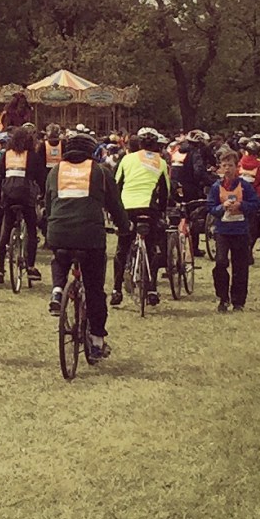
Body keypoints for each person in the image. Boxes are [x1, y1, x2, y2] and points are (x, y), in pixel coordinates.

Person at [45, 128, 128, 361]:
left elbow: (48, 203)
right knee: (94, 290)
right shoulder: (100, 172)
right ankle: (97, 341)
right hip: (90, 237)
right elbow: (115, 206)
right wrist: (124, 227)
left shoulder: (55, 172)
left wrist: (49, 228)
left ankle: (57, 290)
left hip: (58, 231)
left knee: (59, 257)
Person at [112, 128, 172, 307]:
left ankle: (116, 289)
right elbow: (165, 191)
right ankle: (152, 288)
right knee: (152, 248)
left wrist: (115, 210)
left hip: (128, 207)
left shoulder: (127, 159)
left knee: (122, 249)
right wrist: (161, 212)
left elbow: (117, 184)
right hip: (149, 208)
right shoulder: (160, 162)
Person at [207, 148, 260, 312]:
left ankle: (238, 301)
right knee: (220, 263)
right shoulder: (216, 187)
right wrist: (222, 207)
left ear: (237, 167)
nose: (227, 169)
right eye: (224, 165)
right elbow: (210, 207)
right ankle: (223, 298)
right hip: (223, 231)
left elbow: (255, 204)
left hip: (240, 231)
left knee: (240, 267)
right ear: (221, 168)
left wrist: (241, 206)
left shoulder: (244, 186)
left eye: (230, 165)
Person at [0, 126, 46, 284]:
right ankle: (30, 266)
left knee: (6, 228)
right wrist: (42, 194)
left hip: (9, 195)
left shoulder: (6, 155)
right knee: (31, 229)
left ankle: (0, 269)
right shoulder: (32, 156)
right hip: (26, 196)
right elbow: (41, 177)